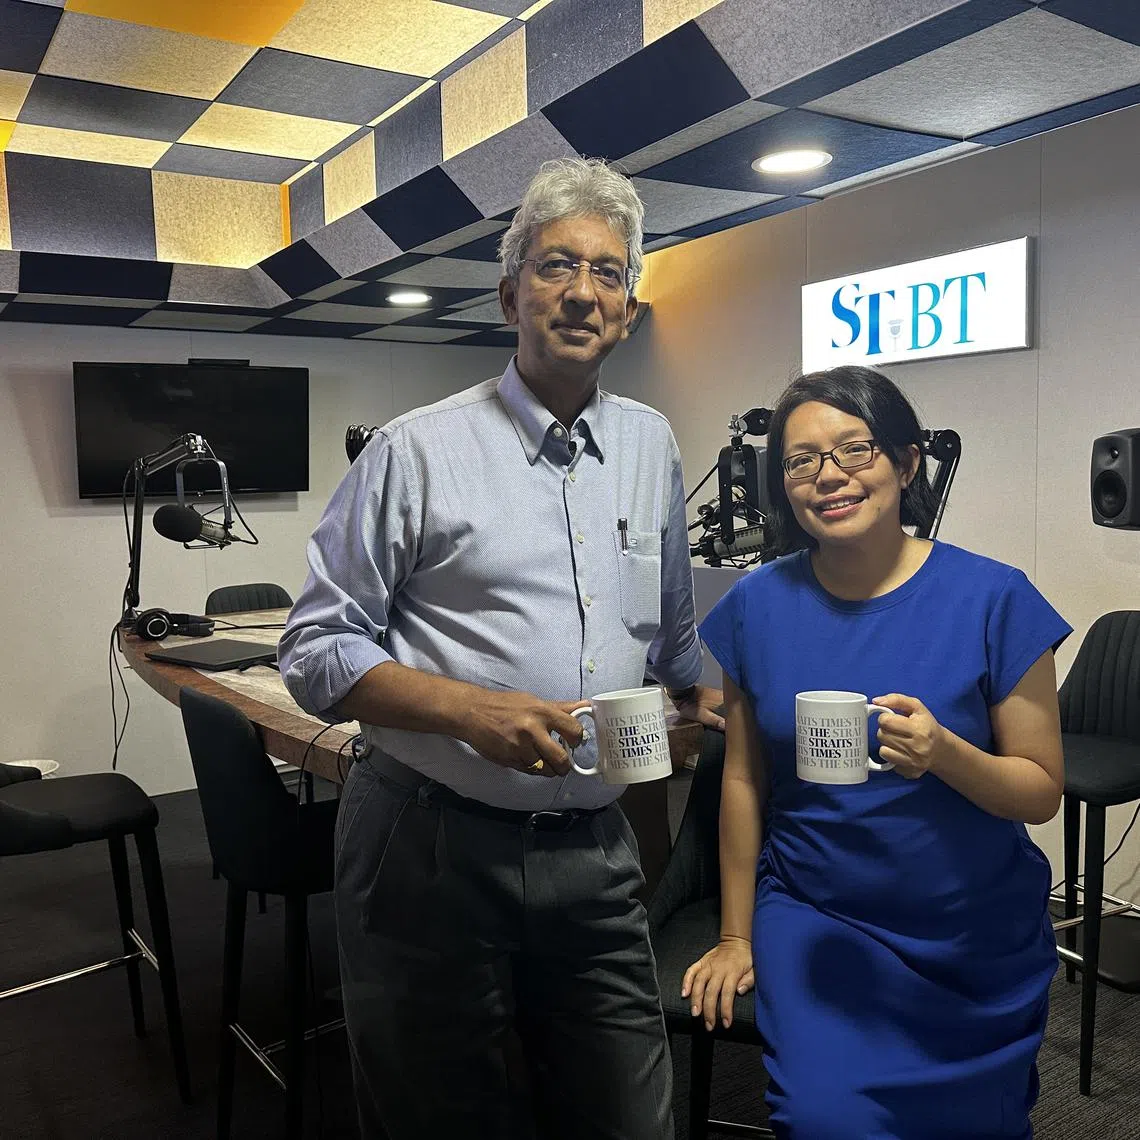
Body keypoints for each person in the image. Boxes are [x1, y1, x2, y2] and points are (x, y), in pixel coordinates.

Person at [279, 156, 723, 1140]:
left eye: (608, 272)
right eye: (556, 265)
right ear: (510, 294)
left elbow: (670, 628)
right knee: (438, 1119)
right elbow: (313, 649)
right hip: (428, 845)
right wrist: (470, 710)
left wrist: (699, 698)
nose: (583, 291)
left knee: (628, 1119)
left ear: (628, 308)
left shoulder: (650, 443)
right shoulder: (415, 451)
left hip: (596, 849)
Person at [684, 364, 1069, 1139]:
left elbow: (1039, 791)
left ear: (906, 461)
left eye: (854, 449)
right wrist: (735, 935)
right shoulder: (756, 604)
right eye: (801, 460)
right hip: (822, 918)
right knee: (826, 1119)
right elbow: (745, 781)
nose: (829, 476)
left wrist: (946, 753)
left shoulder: (995, 598)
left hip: (970, 929)